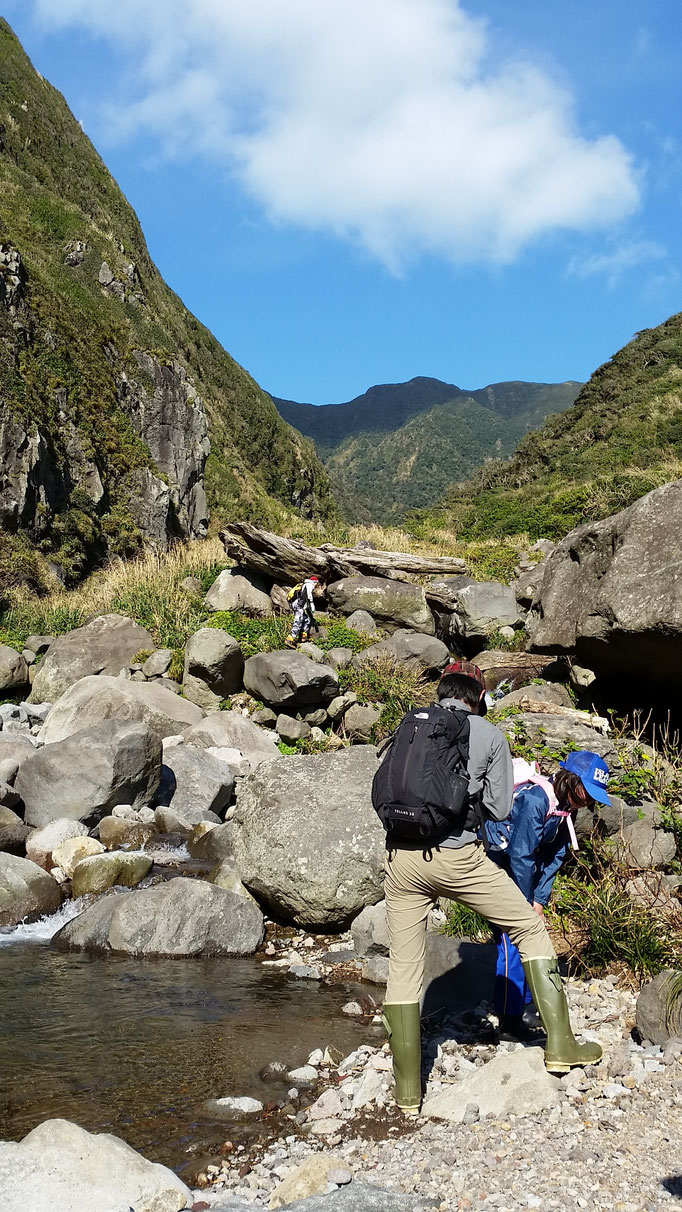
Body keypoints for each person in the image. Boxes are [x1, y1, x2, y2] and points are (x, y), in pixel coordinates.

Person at [380, 664, 602, 1115]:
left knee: (404, 968)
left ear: (441, 692)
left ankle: (407, 1095)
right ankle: (561, 1045)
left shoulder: (410, 724)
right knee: (529, 928)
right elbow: (500, 809)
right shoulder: (488, 734)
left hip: (401, 858)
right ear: (478, 697)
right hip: (458, 857)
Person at [485, 750, 611, 1041]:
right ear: (570, 780)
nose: (588, 802)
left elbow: (555, 855)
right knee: (511, 938)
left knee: (528, 935)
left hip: (522, 871)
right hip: (500, 867)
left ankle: (527, 1005)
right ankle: (509, 1018)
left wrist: (539, 900)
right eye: (586, 794)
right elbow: (520, 855)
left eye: (592, 798)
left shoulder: (566, 805)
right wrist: (525, 899)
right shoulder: (535, 800)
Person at [284, 576, 319, 648]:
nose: (316, 585)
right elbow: (309, 595)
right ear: (315, 582)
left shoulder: (304, 585)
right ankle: (289, 639)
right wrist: (312, 603)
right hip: (298, 606)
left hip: (297, 605)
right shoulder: (309, 584)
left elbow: (305, 602)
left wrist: (311, 616)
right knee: (298, 621)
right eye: (317, 583)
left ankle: (303, 637)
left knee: (306, 620)